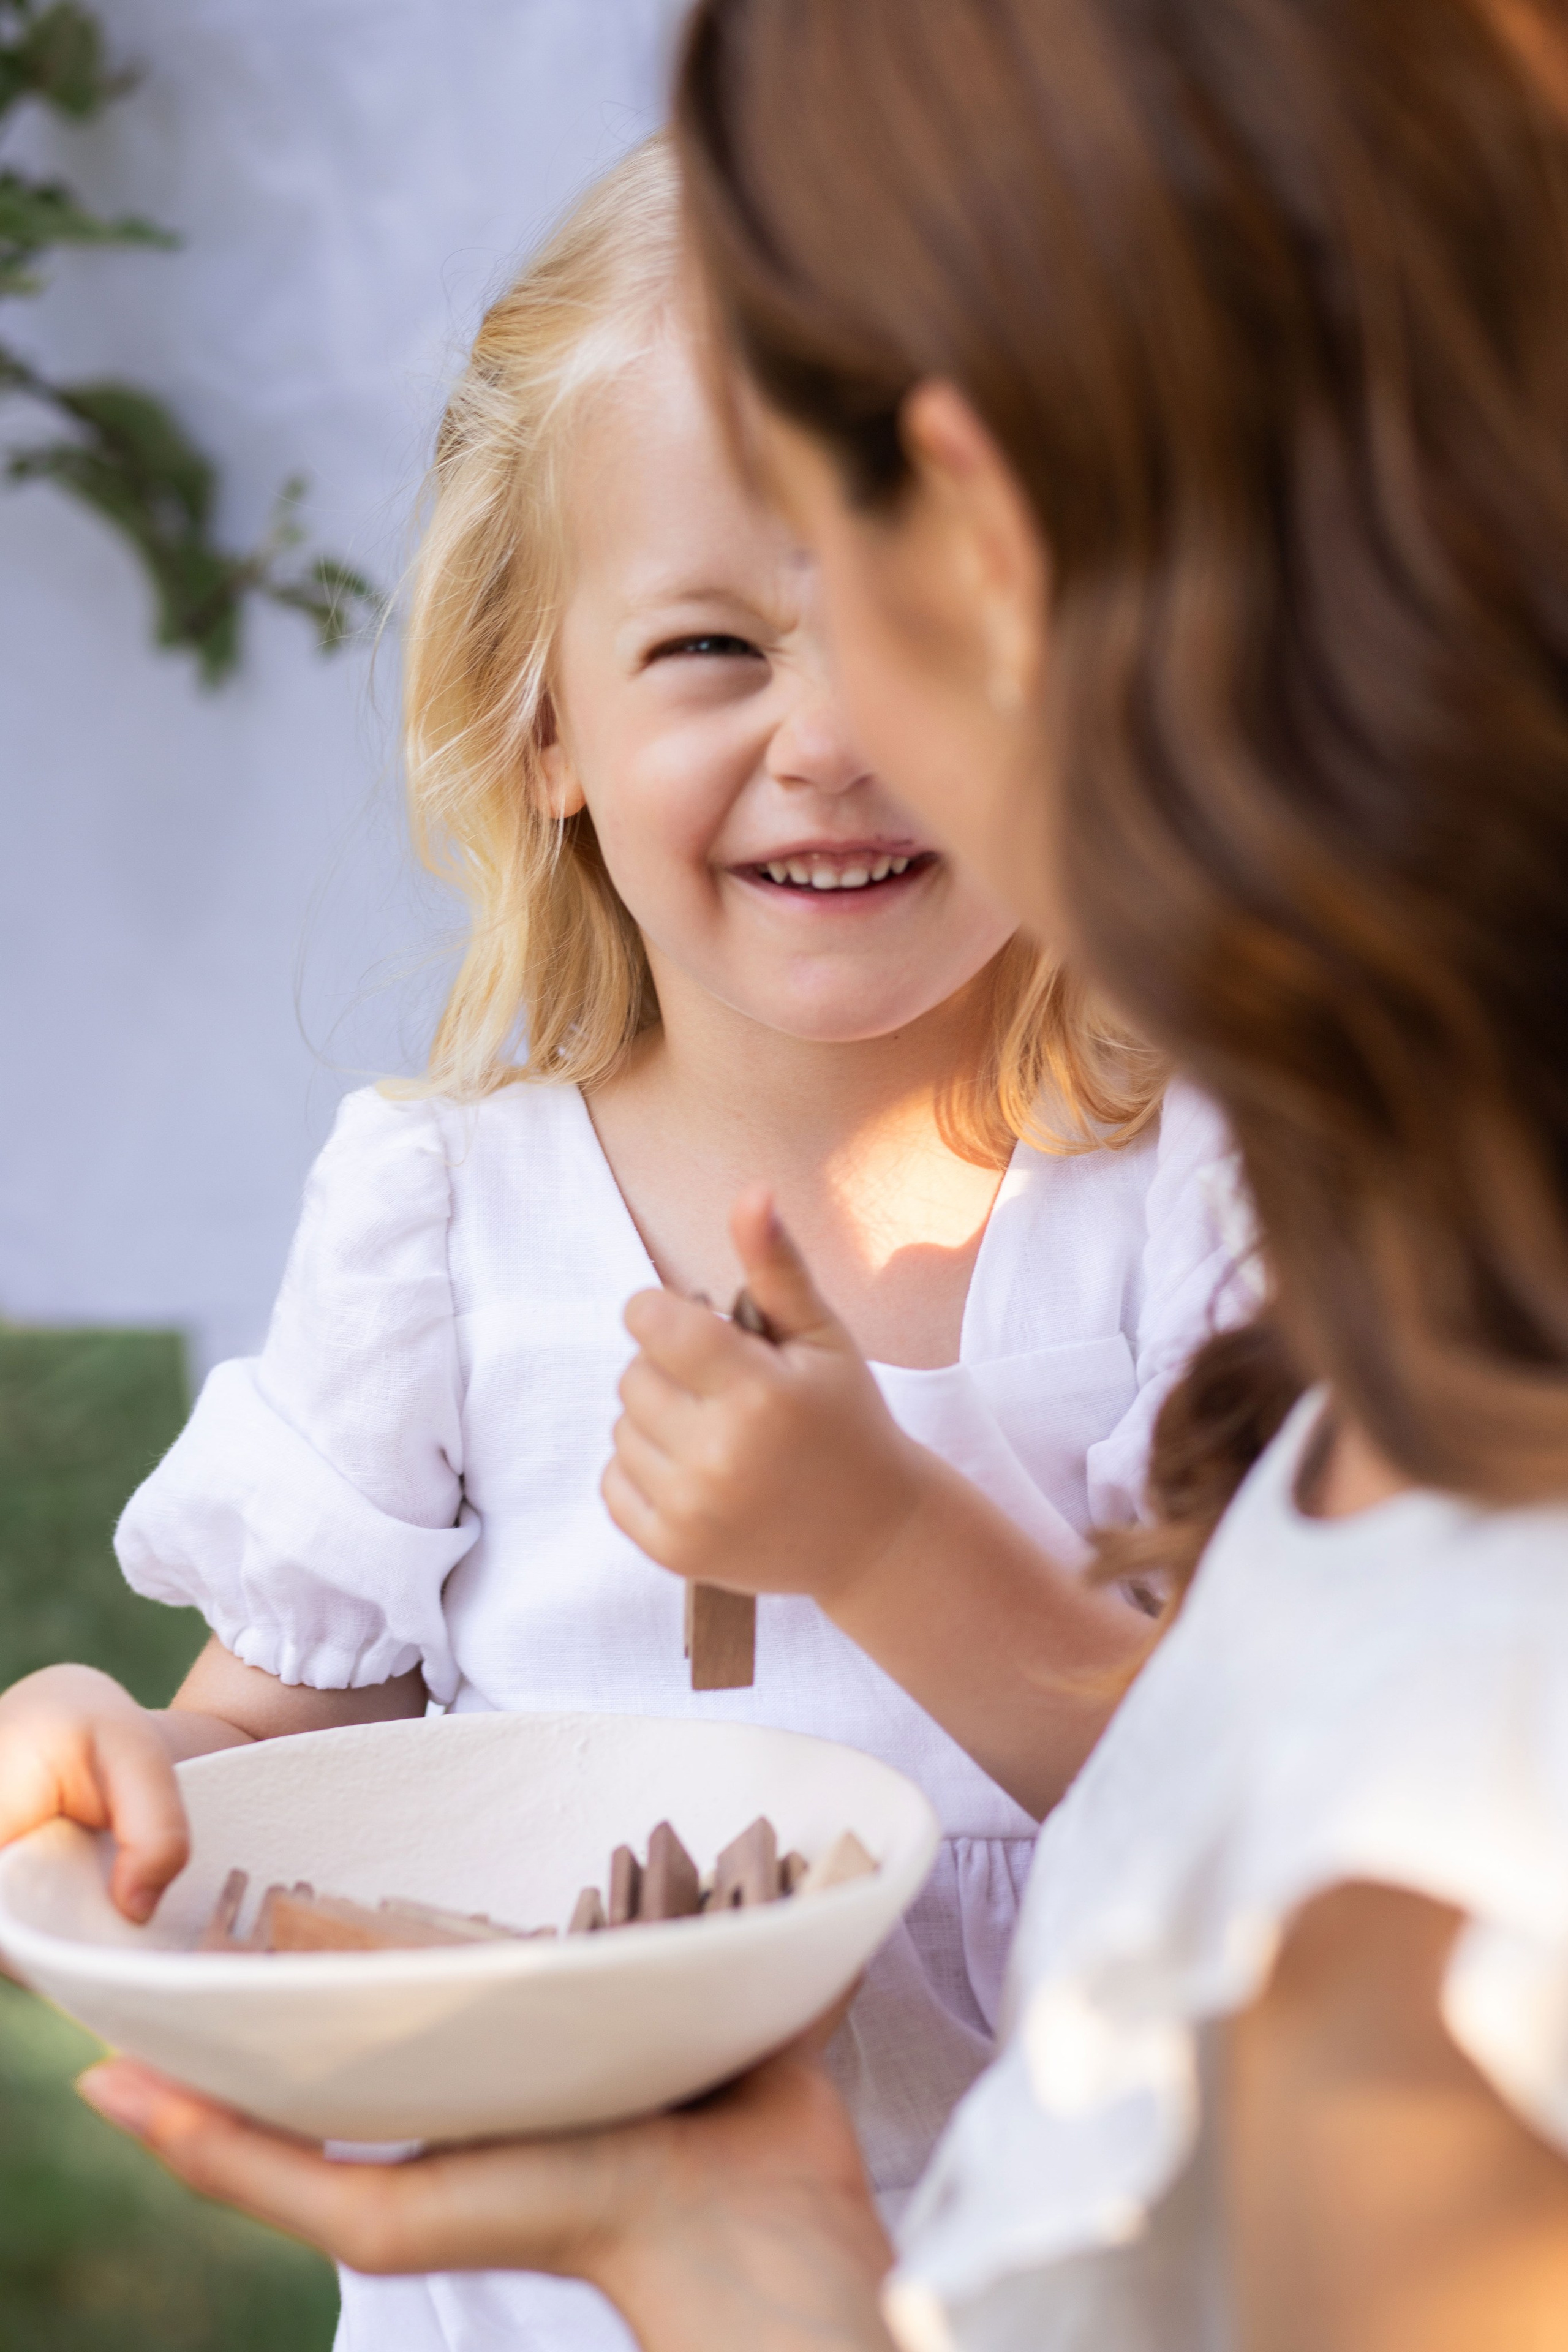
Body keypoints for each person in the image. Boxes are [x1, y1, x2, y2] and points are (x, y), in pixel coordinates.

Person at [62, 0, 1568, 2345]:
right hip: (548, 2285)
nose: (834, 742)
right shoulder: (450, 1212)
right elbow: (278, 1741)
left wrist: (872, 1536)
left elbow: (1232, 1773)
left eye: (887, 611)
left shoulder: (1203, 1194)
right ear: (535, 721)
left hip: (993, 2242)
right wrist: (124, 1768)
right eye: (709, 647)